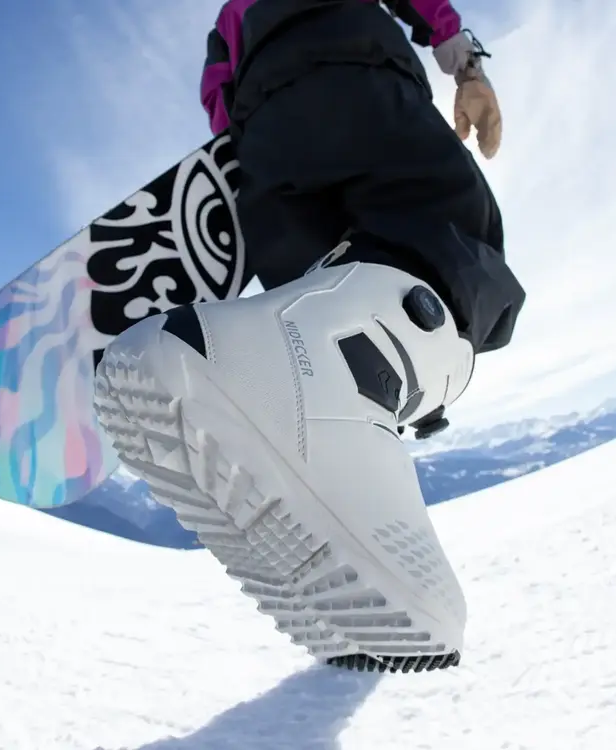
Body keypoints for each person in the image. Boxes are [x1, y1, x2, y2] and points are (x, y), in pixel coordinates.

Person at [93, 0, 526, 673]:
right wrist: (466, 67)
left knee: (318, 317)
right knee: (453, 238)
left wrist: (261, 157)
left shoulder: (229, 21)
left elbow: (216, 99)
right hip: (360, 75)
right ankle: (270, 370)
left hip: (266, 153)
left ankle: (340, 492)